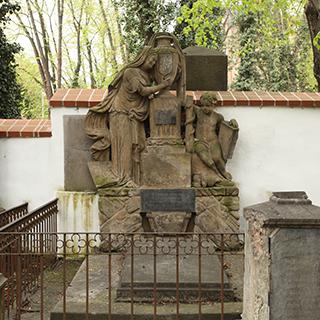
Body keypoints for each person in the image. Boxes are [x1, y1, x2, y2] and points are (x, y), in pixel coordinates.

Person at [85, 46, 170, 186]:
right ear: (143, 57)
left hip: (133, 114)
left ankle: (133, 178)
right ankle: (123, 178)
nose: (153, 63)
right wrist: (162, 85)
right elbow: (142, 91)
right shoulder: (130, 72)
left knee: (135, 146)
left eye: (155, 61)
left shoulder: (146, 76)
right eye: (152, 59)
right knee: (125, 146)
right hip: (120, 112)